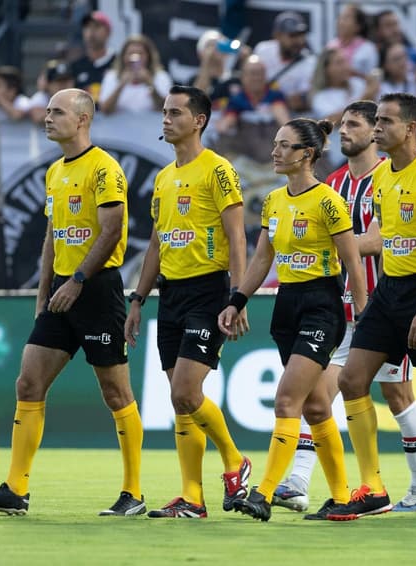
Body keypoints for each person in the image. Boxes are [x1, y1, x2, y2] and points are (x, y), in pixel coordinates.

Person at [0, 88, 145, 517]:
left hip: (97, 290)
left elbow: (113, 230)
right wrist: (44, 292)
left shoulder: (104, 168)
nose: (47, 118)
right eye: (46, 111)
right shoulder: (55, 173)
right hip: (61, 291)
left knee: (116, 392)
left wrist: (78, 280)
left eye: (56, 112)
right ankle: (15, 488)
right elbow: (53, 237)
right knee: (28, 384)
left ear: (82, 119)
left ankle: (133, 492)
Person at [272, 100, 416, 515]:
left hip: (381, 305)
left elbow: (383, 237)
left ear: (374, 133)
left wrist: (333, 241)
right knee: (317, 395)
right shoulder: (332, 183)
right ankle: (297, 481)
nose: (345, 130)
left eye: (356, 124)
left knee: (398, 394)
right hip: (335, 306)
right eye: (342, 124)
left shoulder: (388, 175)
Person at [326, 93, 416, 522]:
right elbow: (379, 237)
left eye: (385, 122)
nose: (376, 129)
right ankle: (372, 486)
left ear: (409, 128)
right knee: (352, 381)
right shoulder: (383, 177)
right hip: (390, 292)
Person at [218, 117, 368, 522]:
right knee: (317, 408)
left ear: (307, 154)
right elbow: (263, 258)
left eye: (284, 146)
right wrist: (237, 300)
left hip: (322, 305)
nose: (274, 152)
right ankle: (341, 498)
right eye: (275, 144)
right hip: (287, 305)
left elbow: (352, 261)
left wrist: (361, 312)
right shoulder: (273, 201)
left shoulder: (328, 202)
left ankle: (263, 493)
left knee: (287, 400)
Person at [124, 85, 251, 519]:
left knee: (184, 391)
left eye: (175, 112)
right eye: (163, 111)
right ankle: (192, 498)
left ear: (198, 120)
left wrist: (239, 296)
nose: (166, 119)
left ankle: (235, 462)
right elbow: (157, 244)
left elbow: (237, 236)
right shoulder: (163, 178)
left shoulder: (217, 170)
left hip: (209, 290)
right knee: (181, 400)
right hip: (171, 293)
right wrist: (139, 297)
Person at [252, 10, 316, 113]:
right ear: (277, 35)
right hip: (257, 106)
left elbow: (299, 102)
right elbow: (251, 81)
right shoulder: (263, 49)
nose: (299, 41)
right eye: (292, 35)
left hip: (289, 114)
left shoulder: (310, 62)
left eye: (301, 35)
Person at [215, 56, 289, 135]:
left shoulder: (274, 95)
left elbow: (282, 118)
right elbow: (229, 118)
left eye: (260, 73)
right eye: (252, 74)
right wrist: (223, 126)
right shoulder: (237, 99)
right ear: (243, 77)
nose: (256, 78)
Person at [99, 34, 172, 114]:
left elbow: (167, 111)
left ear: (149, 57)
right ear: (123, 56)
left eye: (140, 53)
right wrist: (121, 85)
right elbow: (105, 110)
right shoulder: (112, 77)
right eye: (130, 53)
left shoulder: (161, 77)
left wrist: (150, 84)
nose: (135, 58)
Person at [70, 11, 115, 103]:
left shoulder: (118, 63)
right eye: (87, 27)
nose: (91, 31)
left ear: (108, 32)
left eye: (97, 26)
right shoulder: (75, 66)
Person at [328, 4, 377, 77]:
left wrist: (352, 73)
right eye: (340, 17)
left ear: (358, 26)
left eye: (346, 18)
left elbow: (373, 78)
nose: (341, 22)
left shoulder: (368, 49)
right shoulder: (331, 45)